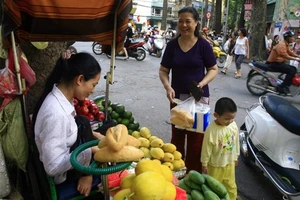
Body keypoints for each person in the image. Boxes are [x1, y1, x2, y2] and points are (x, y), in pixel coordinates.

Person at [32, 52, 105, 198]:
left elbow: (72, 128)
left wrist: (95, 136)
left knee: (93, 124)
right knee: (109, 176)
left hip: (69, 152)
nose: (93, 90)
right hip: (62, 176)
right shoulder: (56, 114)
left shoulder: (63, 98)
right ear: (80, 79)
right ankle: (88, 177)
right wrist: (89, 151)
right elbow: (53, 167)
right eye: (93, 84)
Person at [159, 6, 218, 173]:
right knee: (177, 136)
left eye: (188, 21)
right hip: (177, 99)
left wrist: (201, 84)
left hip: (199, 99)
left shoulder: (203, 45)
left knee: (196, 140)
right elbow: (163, 70)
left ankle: (193, 174)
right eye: (180, 21)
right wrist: (167, 86)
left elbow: (213, 69)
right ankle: (176, 172)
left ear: (196, 23)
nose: (183, 25)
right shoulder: (172, 45)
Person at [201, 97, 239, 200]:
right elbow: (206, 148)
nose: (230, 121)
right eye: (227, 119)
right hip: (215, 165)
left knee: (231, 186)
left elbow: (236, 142)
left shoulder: (233, 125)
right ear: (216, 115)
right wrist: (204, 163)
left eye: (232, 118)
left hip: (229, 163)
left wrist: (236, 157)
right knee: (214, 187)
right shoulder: (211, 130)